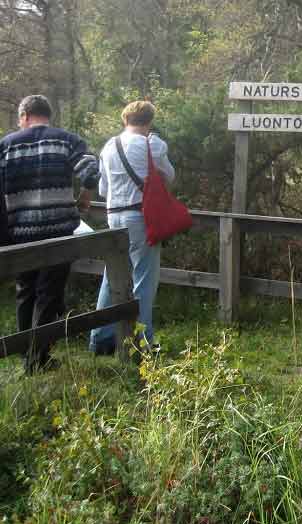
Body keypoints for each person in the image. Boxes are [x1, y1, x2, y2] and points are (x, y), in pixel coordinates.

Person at [0, 95, 99, 373]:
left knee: (25, 291)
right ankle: (38, 358)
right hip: (58, 230)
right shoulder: (66, 139)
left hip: (19, 231)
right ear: (47, 114)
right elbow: (91, 168)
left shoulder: (6, 145)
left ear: (24, 116)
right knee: (49, 294)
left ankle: (27, 356)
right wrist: (85, 195)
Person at [90, 100, 175, 355]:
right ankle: (142, 342)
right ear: (149, 121)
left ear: (124, 120)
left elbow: (103, 189)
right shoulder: (153, 144)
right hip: (140, 216)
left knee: (111, 277)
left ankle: (100, 339)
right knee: (144, 279)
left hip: (112, 217)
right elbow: (169, 176)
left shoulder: (109, 146)